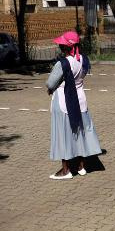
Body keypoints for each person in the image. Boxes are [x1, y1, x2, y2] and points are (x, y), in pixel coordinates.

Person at [45, 31, 102, 180]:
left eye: (61, 44)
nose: (59, 45)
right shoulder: (83, 59)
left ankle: (66, 170)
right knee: (81, 133)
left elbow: (50, 83)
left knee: (63, 135)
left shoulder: (63, 63)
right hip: (80, 100)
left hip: (64, 102)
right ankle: (81, 166)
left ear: (65, 46)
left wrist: (50, 88)